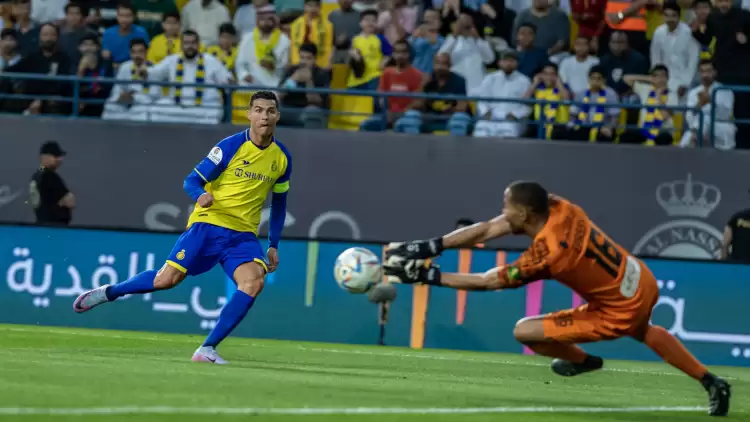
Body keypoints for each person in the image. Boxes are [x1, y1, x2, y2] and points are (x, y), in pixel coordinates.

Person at [383, 181, 731, 417]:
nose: (503, 211)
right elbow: (490, 228)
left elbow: (489, 281)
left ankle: (583, 361)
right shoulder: (562, 206)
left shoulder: (549, 255)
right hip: (639, 278)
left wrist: (428, 276)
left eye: (507, 207)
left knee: (525, 332)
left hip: (618, 309)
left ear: (524, 214)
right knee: (645, 329)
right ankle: (711, 381)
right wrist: (432, 246)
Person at [73, 90, 292, 365]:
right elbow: (191, 181)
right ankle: (110, 292)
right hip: (209, 224)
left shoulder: (281, 158)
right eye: (258, 110)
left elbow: (280, 203)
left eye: (270, 111)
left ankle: (207, 349)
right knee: (166, 281)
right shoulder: (230, 146)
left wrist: (273, 244)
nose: (264, 116)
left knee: (254, 282)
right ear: (249, 114)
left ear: (277, 116)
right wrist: (200, 196)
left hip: (243, 235)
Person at [30, 141, 75, 226]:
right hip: (54, 226)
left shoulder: (36, 176)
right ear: (45, 157)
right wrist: (61, 202)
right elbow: (70, 202)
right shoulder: (49, 176)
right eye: (56, 156)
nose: (60, 160)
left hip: (42, 224)